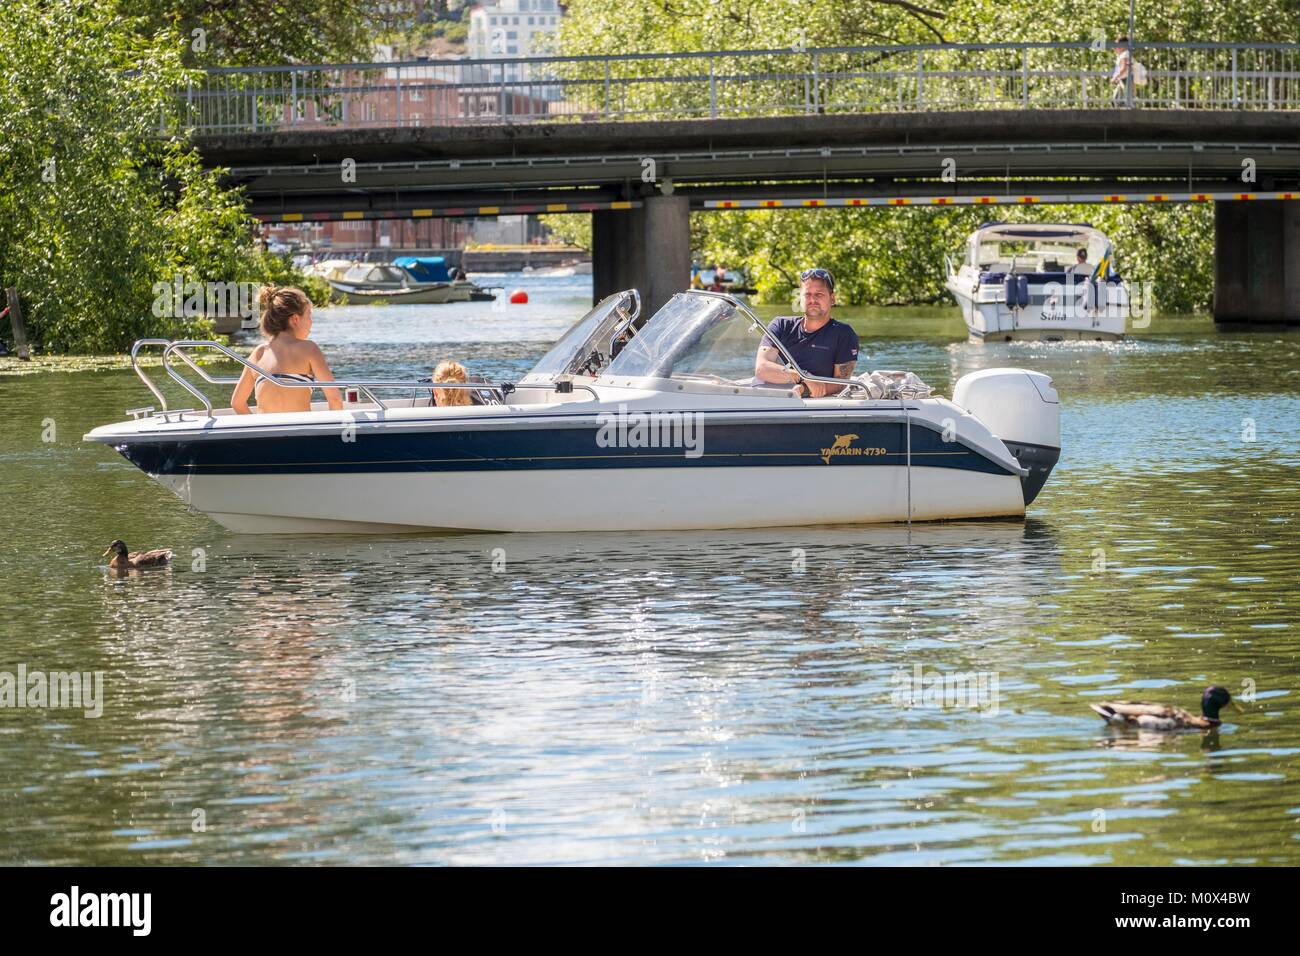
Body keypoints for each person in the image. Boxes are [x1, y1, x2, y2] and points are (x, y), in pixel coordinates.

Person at [231, 286, 342, 414]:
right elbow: (335, 399)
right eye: (309, 316)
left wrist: (256, 428)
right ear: (295, 319)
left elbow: (237, 403)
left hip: (266, 432)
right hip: (300, 431)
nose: (311, 322)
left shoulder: (259, 353)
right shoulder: (309, 349)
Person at [755, 268, 859, 398]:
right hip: (767, 398)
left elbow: (840, 382)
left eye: (819, 294)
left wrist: (803, 389)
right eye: (807, 294)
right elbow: (762, 369)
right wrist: (805, 376)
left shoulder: (844, 334)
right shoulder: (780, 325)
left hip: (807, 403)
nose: (812, 300)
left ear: (832, 299)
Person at [1110, 37, 1147, 102]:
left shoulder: (1125, 54)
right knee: (1117, 99)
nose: (1115, 48)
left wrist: (1115, 77)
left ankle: (1132, 107)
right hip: (1123, 79)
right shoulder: (1123, 55)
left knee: (1127, 98)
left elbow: (1124, 68)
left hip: (1126, 79)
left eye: (1117, 46)